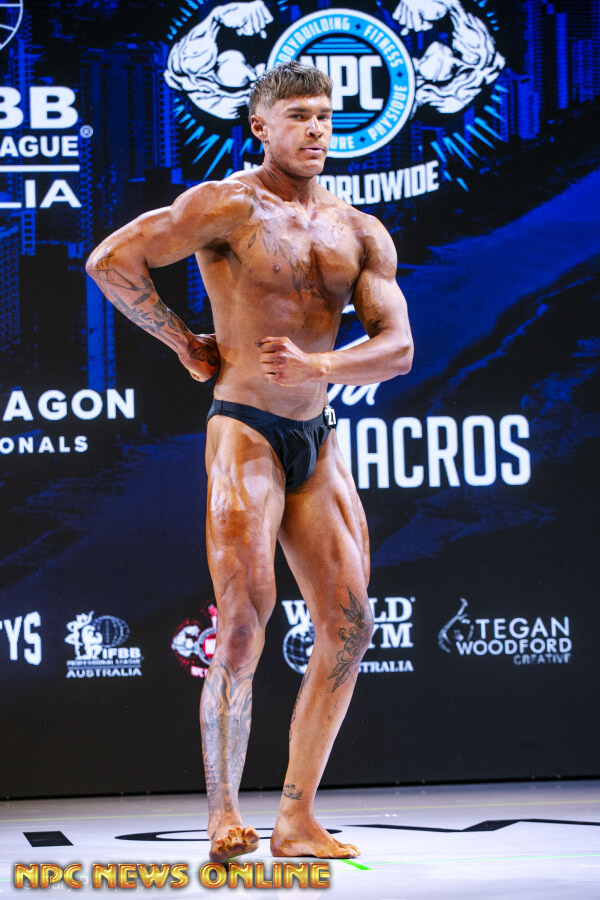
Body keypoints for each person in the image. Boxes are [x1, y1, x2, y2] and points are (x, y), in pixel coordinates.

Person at [86, 61, 413, 862]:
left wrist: (317, 366)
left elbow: (398, 348)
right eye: (298, 116)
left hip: (317, 435)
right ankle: (223, 815)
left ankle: (296, 820)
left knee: (351, 626)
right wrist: (182, 342)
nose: (316, 129)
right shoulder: (226, 206)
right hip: (245, 429)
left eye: (325, 116)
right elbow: (111, 261)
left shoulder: (359, 230)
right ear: (261, 127)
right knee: (240, 624)